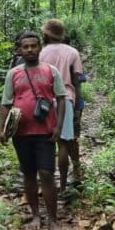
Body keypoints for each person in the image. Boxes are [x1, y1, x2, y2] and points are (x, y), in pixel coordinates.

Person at [0, 31, 66, 230]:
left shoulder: (51, 71)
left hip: (45, 131)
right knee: (28, 173)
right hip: (21, 133)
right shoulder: (14, 74)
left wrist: (59, 126)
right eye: (25, 47)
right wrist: (1, 129)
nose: (29, 50)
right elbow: (6, 103)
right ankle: (36, 215)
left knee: (46, 173)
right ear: (19, 50)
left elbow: (61, 98)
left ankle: (53, 219)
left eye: (33, 46)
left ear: (40, 48)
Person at [39, 19, 84, 193]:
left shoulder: (41, 53)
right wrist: (78, 104)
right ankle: (64, 185)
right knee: (64, 143)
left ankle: (46, 184)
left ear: (47, 34)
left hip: (44, 101)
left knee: (46, 143)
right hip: (66, 99)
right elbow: (76, 80)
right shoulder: (72, 52)